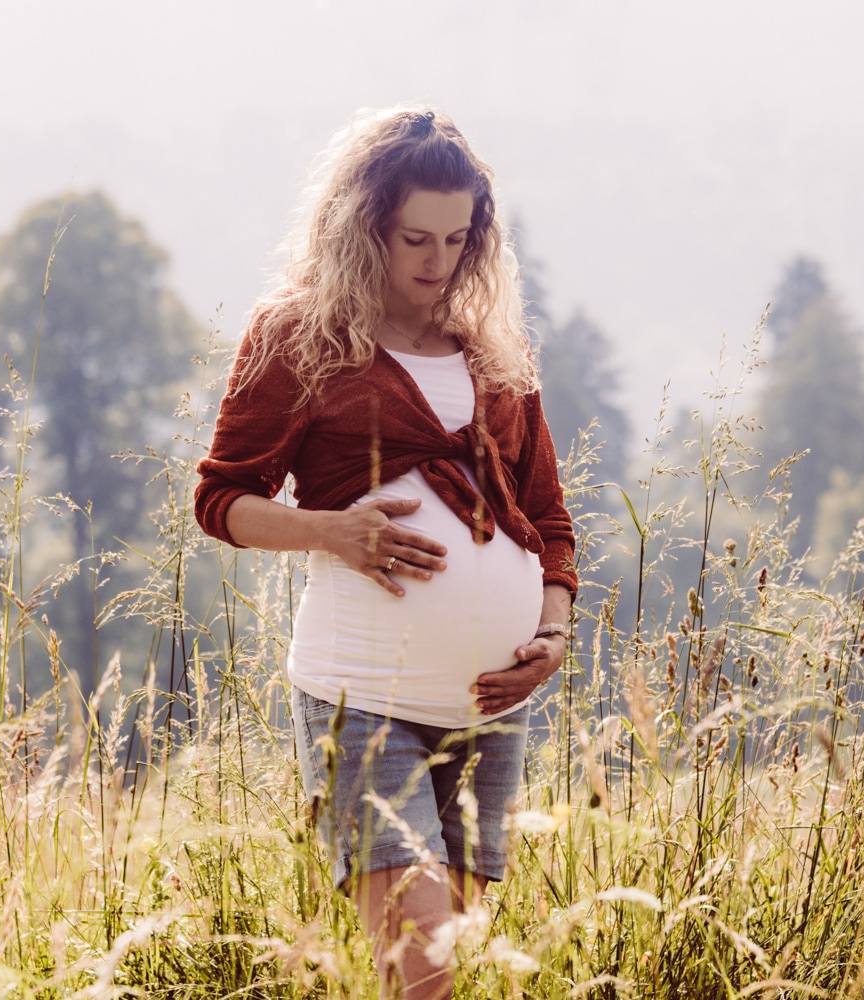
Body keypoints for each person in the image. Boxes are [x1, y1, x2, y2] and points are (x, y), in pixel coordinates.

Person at [193, 106, 576, 999]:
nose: (437, 261)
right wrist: (330, 531)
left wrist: (553, 634)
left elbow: (550, 522)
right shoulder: (298, 337)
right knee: (426, 970)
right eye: (414, 237)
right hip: (362, 698)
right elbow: (221, 500)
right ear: (364, 225)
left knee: (460, 965)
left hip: (489, 710)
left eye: (456, 237)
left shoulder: (494, 350)